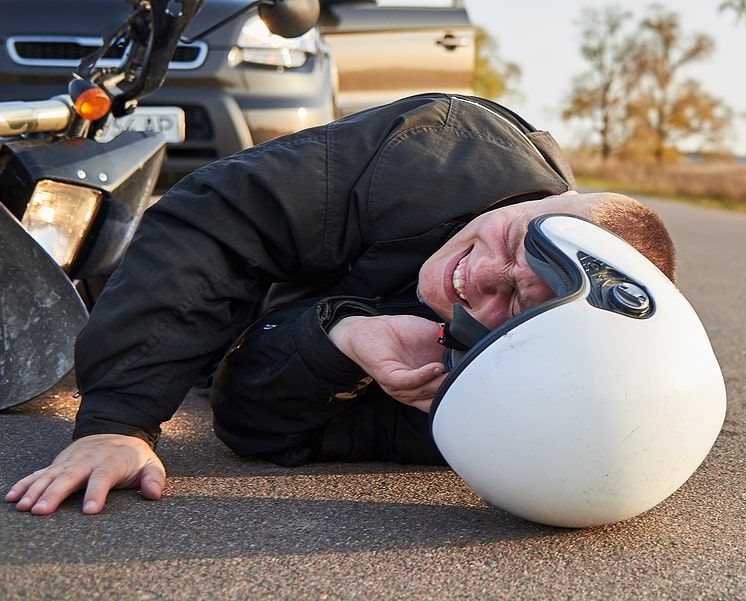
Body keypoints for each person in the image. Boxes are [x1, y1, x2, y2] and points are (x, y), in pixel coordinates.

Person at [5, 93, 676, 515]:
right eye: (512, 242)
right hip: (213, 258)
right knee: (99, 257)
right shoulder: (440, 153)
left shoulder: (491, 392)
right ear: (539, 202)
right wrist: (118, 420)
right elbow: (216, 219)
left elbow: (249, 423)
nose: (478, 277)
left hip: (268, 326)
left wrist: (341, 345)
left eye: (511, 300)